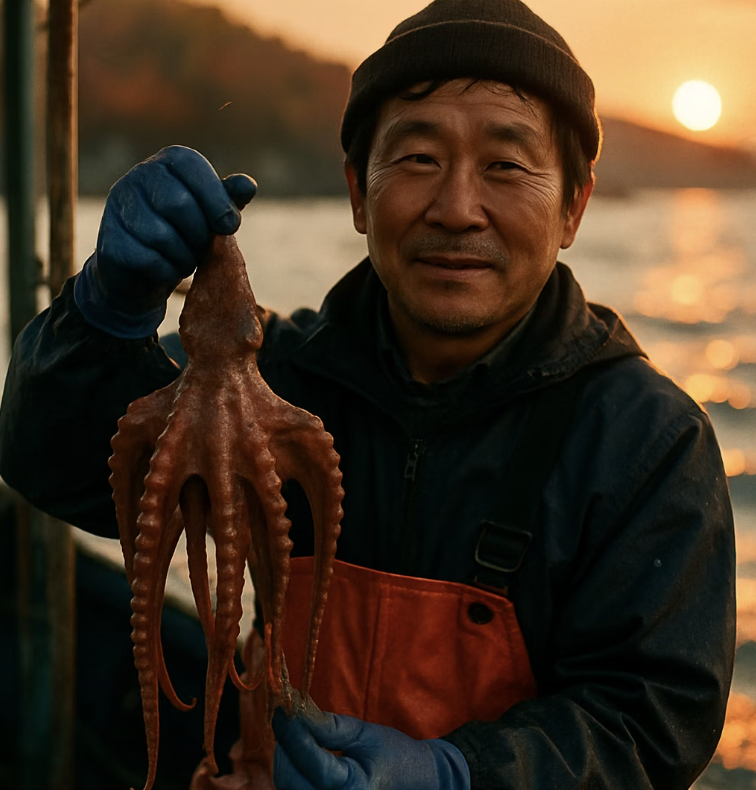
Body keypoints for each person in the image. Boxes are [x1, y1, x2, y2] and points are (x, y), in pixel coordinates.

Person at [0, 0, 737, 788]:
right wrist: (105, 312)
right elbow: (52, 461)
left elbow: (652, 718)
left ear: (573, 206)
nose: (456, 209)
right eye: (417, 159)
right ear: (358, 191)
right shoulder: (276, 378)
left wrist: (458, 775)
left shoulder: (648, 443)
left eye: (506, 165)